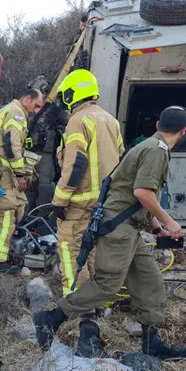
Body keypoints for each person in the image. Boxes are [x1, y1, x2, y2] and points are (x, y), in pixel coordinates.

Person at [33, 106, 186, 361]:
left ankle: (151, 342)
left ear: (158, 124)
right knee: (107, 285)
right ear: (184, 131)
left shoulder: (148, 146)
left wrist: (157, 228)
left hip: (128, 227)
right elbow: (143, 193)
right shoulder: (156, 151)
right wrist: (170, 222)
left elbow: (134, 196)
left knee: (149, 279)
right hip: (119, 229)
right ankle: (51, 318)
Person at [52, 70, 125, 299]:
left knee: (70, 251)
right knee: (93, 253)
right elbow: (121, 157)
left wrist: (60, 200)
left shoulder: (78, 120)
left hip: (80, 202)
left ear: (72, 93)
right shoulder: (110, 120)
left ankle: (76, 305)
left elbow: (76, 163)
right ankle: (96, 303)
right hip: (104, 201)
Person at [0, 88, 46, 272]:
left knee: (18, 206)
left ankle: (10, 249)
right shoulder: (16, 114)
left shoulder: (11, 111)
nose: (36, 110)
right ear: (26, 99)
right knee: (5, 213)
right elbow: (12, 145)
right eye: (36, 105)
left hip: (4, 170)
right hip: (3, 171)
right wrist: (20, 174)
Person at [24, 76, 68, 215]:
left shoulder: (53, 109)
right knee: (29, 188)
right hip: (29, 154)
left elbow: (66, 122)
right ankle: (27, 217)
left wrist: (58, 109)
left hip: (46, 155)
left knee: (45, 188)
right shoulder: (26, 110)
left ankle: (42, 219)